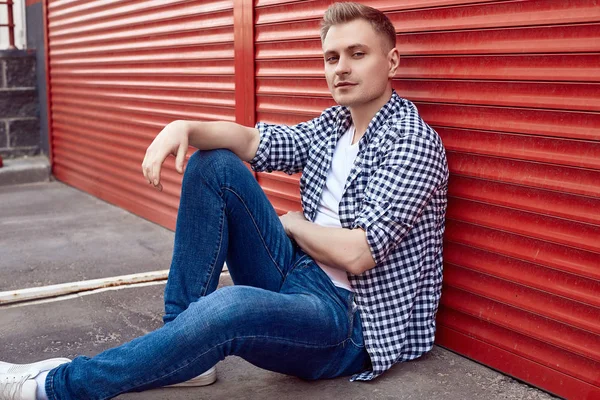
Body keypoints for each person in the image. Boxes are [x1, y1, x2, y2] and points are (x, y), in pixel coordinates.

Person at [0, 2, 448, 399]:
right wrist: (186, 127)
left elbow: (358, 253)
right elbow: (255, 140)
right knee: (213, 163)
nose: (341, 68)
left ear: (391, 61)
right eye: (332, 57)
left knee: (229, 307)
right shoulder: (335, 125)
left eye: (357, 54)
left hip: (347, 322)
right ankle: (184, 349)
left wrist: (291, 226)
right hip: (300, 273)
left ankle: (56, 387)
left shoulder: (411, 141)